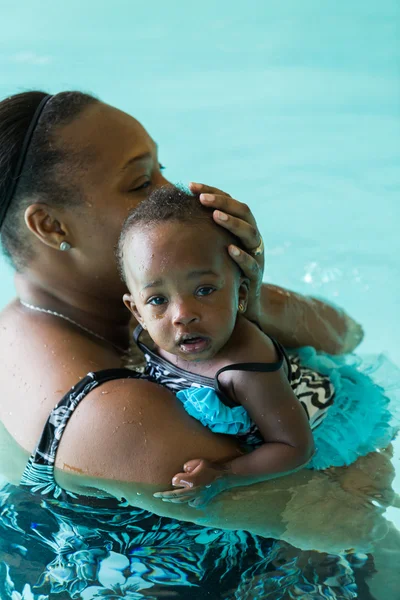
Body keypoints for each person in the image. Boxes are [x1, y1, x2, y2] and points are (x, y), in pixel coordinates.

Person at [0, 90, 364, 511]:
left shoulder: (151, 299)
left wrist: (250, 298)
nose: (169, 194)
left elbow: (349, 334)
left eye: (162, 169)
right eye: (140, 182)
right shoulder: (109, 411)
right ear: (51, 226)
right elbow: (340, 523)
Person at [118, 185, 399, 506]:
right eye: (158, 299)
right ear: (137, 311)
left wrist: (224, 474)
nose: (183, 315)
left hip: (329, 425)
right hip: (284, 411)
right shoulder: (147, 338)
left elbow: (295, 448)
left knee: (364, 506)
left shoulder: (246, 366)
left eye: (205, 290)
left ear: (241, 294)